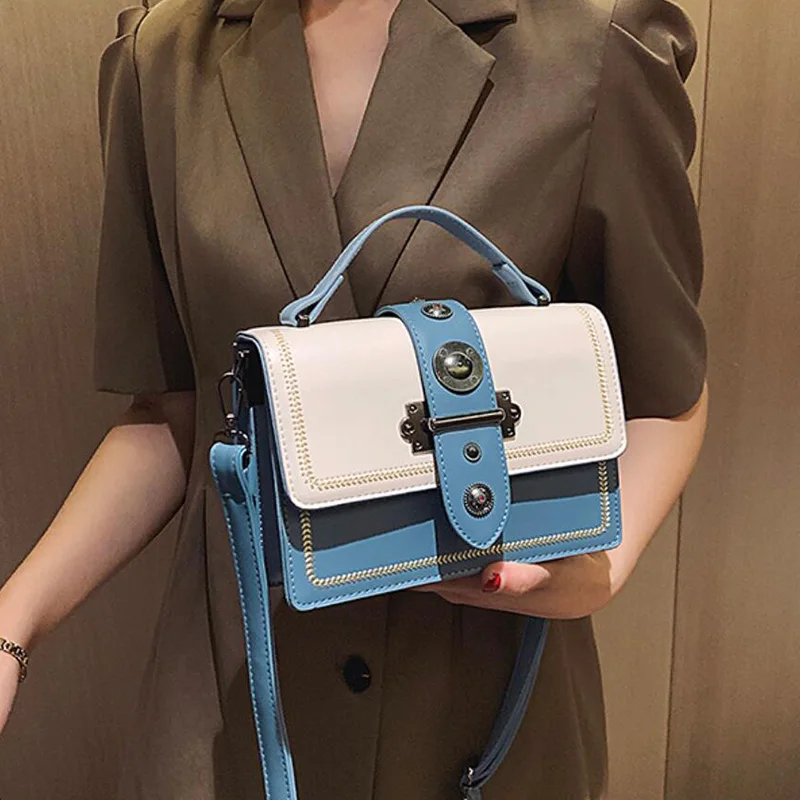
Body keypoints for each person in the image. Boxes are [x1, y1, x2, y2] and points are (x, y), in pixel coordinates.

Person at [0, 0, 709, 797]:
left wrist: (599, 572)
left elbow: (667, 387)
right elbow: (172, 414)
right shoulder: (162, 58)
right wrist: (13, 623)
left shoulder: (590, 43)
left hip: (477, 682)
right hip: (235, 696)